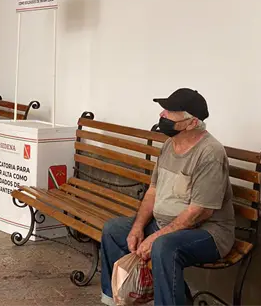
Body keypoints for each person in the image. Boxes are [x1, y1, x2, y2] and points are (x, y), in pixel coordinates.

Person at [100, 88, 235, 306]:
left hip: (208, 233)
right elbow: (153, 190)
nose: (162, 115)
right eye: (164, 110)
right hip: (166, 226)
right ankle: (114, 300)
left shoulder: (210, 153)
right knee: (114, 230)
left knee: (164, 247)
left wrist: (155, 237)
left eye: (170, 112)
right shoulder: (169, 145)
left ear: (192, 123)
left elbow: (199, 212)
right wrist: (138, 227)